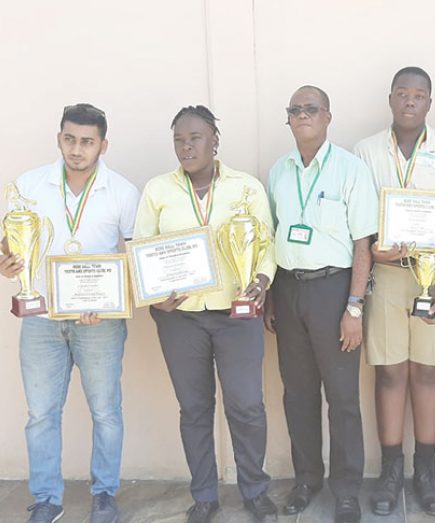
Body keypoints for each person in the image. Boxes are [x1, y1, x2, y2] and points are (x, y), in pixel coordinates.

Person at [0, 104, 139, 523]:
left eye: (87, 141)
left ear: (103, 145)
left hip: (100, 323)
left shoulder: (124, 193)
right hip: (41, 321)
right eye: (70, 139)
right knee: (40, 414)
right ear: (59, 138)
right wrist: (5, 263)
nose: (77, 149)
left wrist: (110, 302)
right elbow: (10, 245)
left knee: (106, 411)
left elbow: (134, 261)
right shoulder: (29, 185)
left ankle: (105, 495)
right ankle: (46, 499)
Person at [133, 105, 277, 523]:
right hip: (181, 319)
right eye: (178, 139)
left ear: (215, 140)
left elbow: (265, 245)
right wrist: (153, 298)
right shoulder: (158, 191)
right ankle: (204, 496)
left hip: (238, 315)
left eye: (195, 138)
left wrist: (263, 281)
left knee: (247, 405)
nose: (186, 146)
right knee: (194, 408)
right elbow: (142, 250)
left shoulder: (246, 187)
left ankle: (255, 489)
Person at [353, 66, 435, 517]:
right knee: (388, 374)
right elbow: (359, 226)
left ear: (429, 103)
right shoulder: (365, 151)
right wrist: (374, 257)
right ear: (390, 99)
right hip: (385, 277)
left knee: (427, 373)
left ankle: (426, 470)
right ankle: (389, 471)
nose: (409, 101)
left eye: (418, 95)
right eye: (401, 93)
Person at [264, 85, 378, 523]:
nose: (302, 115)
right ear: (288, 119)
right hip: (289, 290)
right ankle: (307, 479)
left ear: (328, 116)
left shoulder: (350, 170)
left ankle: (346, 489)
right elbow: (272, 237)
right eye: (295, 110)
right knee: (298, 395)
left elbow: (363, 245)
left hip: (334, 292)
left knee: (343, 397)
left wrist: (354, 308)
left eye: (311, 109)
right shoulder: (278, 172)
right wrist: (273, 296)